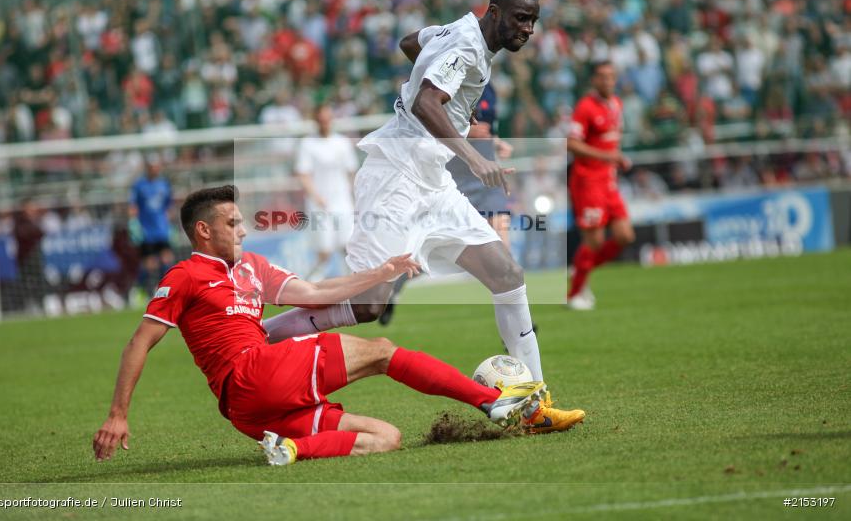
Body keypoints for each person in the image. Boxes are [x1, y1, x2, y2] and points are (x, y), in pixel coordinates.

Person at [92, 186, 584, 467]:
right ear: (204, 231)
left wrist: (382, 272)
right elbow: (141, 341)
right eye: (233, 223)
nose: (243, 230)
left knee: (385, 437)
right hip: (253, 372)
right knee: (384, 351)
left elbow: (318, 293)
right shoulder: (185, 275)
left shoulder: (252, 269)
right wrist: (118, 413)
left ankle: (289, 449)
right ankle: (492, 401)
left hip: (248, 411)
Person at [262, 0, 547, 381]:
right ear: (494, 13)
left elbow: (411, 43)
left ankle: (535, 395)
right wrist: (474, 158)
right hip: (397, 174)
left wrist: (458, 105)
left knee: (507, 275)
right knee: (368, 305)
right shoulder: (465, 43)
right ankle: (256, 337)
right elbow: (425, 101)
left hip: (433, 180)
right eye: (521, 18)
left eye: (534, 21)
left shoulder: (458, 33)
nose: (528, 29)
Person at [378, 83, 513, 325]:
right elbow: (427, 122)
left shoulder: (488, 84)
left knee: (503, 255)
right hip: (452, 177)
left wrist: (495, 140)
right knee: (424, 253)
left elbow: (486, 127)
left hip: (486, 177)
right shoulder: (445, 81)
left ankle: (518, 326)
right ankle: (391, 290)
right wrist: (470, 134)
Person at [566, 61, 636, 310]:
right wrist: (607, 157)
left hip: (609, 182)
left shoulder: (616, 104)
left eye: (611, 77)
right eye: (603, 77)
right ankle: (573, 294)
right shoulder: (585, 107)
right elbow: (572, 144)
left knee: (625, 236)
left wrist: (617, 159)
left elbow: (611, 144)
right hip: (588, 182)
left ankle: (580, 272)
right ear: (594, 80)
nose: (608, 81)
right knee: (593, 240)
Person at [294, 103, 357, 281]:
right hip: (319, 204)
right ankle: (309, 285)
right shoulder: (308, 144)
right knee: (325, 251)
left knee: (348, 248)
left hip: (342, 202)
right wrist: (316, 196)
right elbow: (303, 174)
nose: (325, 123)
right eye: (321, 120)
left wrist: (353, 196)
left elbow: (350, 172)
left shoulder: (342, 143)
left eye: (328, 119)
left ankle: (349, 287)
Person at [129, 155, 174, 298]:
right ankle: (138, 290)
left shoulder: (164, 184)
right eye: (152, 166)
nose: (155, 169)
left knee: (167, 260)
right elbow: (133, 206)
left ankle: (164, 290)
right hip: (146, 231)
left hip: (162, 230)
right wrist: (133, 224)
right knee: (149, 264)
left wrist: (170, 224)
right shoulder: (139, 185)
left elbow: (168, 206)